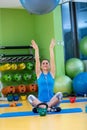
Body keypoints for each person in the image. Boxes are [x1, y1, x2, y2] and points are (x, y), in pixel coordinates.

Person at [28, 39, 63, 112]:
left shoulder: (52, 74)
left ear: (49, 66)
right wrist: (36, 49)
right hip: (40, 102)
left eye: (47, 63)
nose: (45, 64)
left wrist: (51, 48)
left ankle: (44, 108)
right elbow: (37, 60)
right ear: (40, 66)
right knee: (30, 97)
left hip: (52, 102)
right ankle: (48, 109)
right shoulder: (39, 74)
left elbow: (52, 59)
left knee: (60, 94)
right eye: (43, 63)